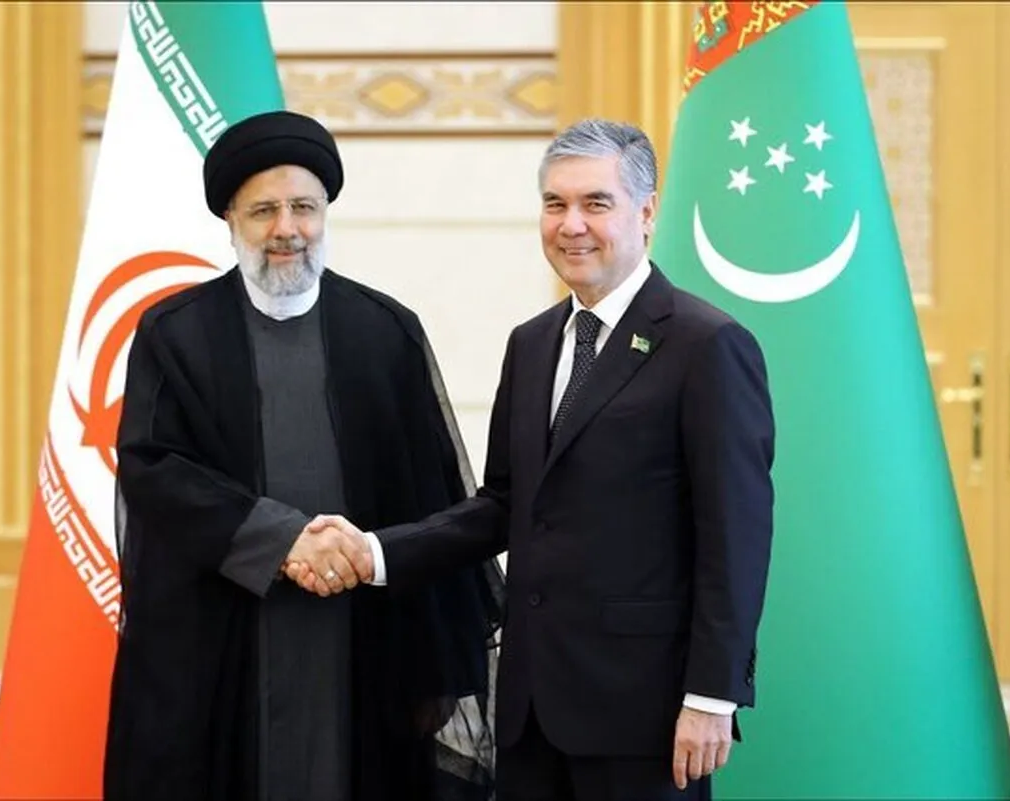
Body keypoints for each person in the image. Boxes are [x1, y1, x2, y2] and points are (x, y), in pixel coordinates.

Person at [292, 118, 776, 801]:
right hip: (531, 712)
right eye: (555, 203)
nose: (571, 225)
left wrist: (712, 697)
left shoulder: (707, 345)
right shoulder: (533, 343)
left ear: (646, 212)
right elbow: (503, 505)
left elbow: (735, 537)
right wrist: (374, 552)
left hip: (644, 712)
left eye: (595, 203)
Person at [103, 109, 504, 801]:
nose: (286, 228)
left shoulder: (385, 330)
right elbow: (154, 469)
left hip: (365, 634)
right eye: (264, 210)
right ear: (230, 219)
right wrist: (283, 539)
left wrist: (369, 568)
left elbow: (432, 491)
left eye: (303, 208)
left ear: (325, 213)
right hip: (224, 639)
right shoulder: (175, 333)